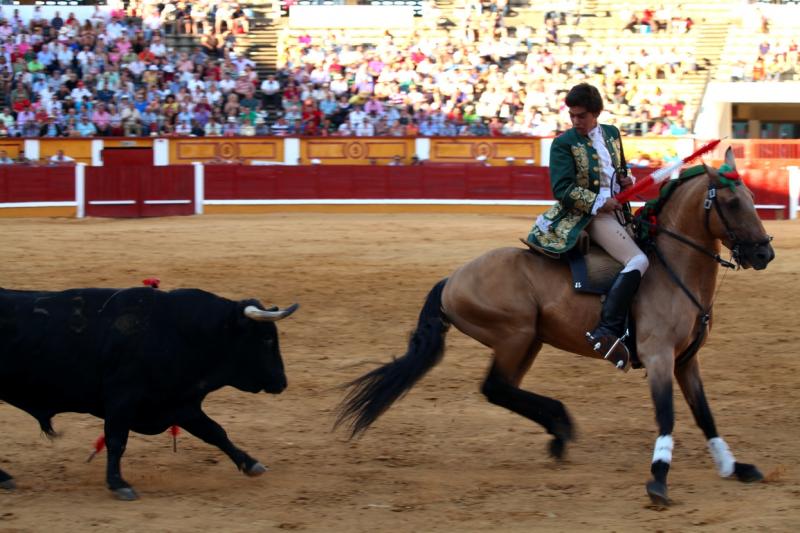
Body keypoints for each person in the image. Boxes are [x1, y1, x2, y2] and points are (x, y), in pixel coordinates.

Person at [526, 83, 649, 370]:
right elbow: (563, 188)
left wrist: (625, 182)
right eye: (572, 115)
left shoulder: (612, 134)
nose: (575, 121)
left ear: (596, 114)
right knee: (638, 259)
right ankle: (606, 328)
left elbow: (619, 170)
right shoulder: (563, 143)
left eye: (581, 116)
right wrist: (598, 204)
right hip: (588, 217)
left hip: (619, 211)